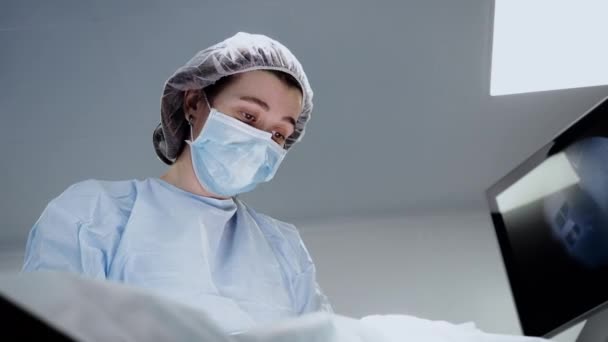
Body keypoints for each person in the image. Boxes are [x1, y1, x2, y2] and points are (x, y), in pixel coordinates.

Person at [22, 32, 332, 333]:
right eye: (249, 117)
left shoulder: (284, 248)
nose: (261, 140)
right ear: (194, 104)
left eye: (278, 134)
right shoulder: (91, 215)